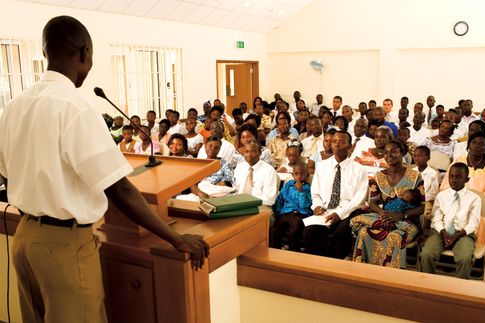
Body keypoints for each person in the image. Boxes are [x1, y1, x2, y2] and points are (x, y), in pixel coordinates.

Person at [0, 16, 208, 323]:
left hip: (24, 238)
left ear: (46, 53)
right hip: (64, 247)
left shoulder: (15, 106)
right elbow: (120, 189)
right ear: (85, 53)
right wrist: (175, 239)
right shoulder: (75, 107)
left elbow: (6, 173)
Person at [351, 140, 425, 268]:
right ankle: (363, 271)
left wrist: (402, 215)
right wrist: (384, 215)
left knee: (394, 237)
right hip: (384, 218)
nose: (389, 155)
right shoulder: (378, 176)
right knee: (364, 231)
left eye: (394, 152)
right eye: (386, 152)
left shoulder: (415, 176)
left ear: (403, 153)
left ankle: (392, 277)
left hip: (408, 221)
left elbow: (422, 207)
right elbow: (373, 203)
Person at [302, 131, 368, 258]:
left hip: (347, 212)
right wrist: (317, 206)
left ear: (350, 147)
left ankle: (333, 267)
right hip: (325, 210)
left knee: (341, 234)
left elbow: (359, 199)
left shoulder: (359, 169)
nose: (337, 145)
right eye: (334, 141)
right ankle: (318, 266)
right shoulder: (322, 166)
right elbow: (315, 192)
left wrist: (339, 214)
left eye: (342, 142)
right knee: (309, 233)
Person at [420, 163, 481, 279]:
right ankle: (427, 285)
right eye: (451, 176)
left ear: (466, 179)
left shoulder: (474, 199)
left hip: (463, 234)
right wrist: (444, 233)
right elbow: (436, 219)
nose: (453, 180)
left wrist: (457, 235)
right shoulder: (441, 196)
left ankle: (460, 289)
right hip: (440, 232)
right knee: (426, 254)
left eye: (458, 177)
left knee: (464, 258)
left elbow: (473, 223)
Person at [441, 132, 485, 248]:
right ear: (468, 145)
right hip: (458, 198)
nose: (477, 146)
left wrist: (476, 200)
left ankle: (478, 248)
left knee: (484, 217)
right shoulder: (459, 160)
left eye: (482, 144)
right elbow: (446, 183)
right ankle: (449, 243)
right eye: (474, 142)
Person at [270, 162, 312, 251]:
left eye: (302, 174)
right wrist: (278, 213)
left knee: (293, 231)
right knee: (274, 231)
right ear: (293, 175)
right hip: (285, 213)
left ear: (307, 175)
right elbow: (280, 199)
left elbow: (305, 205)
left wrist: (300, 191)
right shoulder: (288, 186)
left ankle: (293, 255)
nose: (299, 176)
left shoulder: (308, 188)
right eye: (296, 174)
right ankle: (275, 254)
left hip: (300, 214)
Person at [234, 141, 278, 206]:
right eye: (247, 151)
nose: (249, 155)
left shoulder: (269, 170)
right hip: (240, 204)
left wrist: (250, 204)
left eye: (253, 151)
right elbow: (236, 190)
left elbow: (269, 199)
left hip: (261, 205)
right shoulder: (240, 167)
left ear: (260, 153)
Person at [412, 146, 439, 226]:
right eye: (415, 155)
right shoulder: (412, 171)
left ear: (428, 158)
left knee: (423, 213)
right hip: (411, 200)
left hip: (425, 202)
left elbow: (433, 194)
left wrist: (421, 199)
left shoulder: (433, 173)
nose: (417, 158)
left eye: (420, 156)